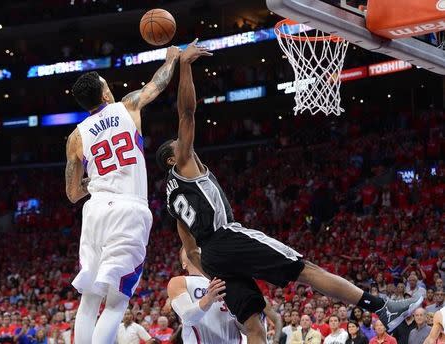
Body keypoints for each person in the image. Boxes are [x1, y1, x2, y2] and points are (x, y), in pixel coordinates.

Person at [157, 38, 423, 344]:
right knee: (305, 269)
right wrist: (186, 66)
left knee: (255, 327)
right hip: (226, 237)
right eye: (180, 145)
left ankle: (382, 306)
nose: (187, 145)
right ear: (171, 158)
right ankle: (382, 307)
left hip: (213, 259)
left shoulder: (170, 199)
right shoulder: (184, 164)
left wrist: (216, 270)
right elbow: (187, 114)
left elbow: (190, 251)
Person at [67, 45, 180, 344]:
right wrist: (171, 59)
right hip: (128, 210)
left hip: (94, 210)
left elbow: (72, 194)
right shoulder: (127, 106)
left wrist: (92, 181)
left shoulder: (75, 136)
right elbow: (159, 83)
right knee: (117, 301)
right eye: (108, 86)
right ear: (105, 95)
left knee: (89, 299)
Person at [167, 247, 243, 343]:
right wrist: (209, 298)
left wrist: (237, 310)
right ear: (184, 264)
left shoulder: (226, 282)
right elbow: (187, 317)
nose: (194, 245)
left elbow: (246, 329)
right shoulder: (179, 281)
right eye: (188, 245)